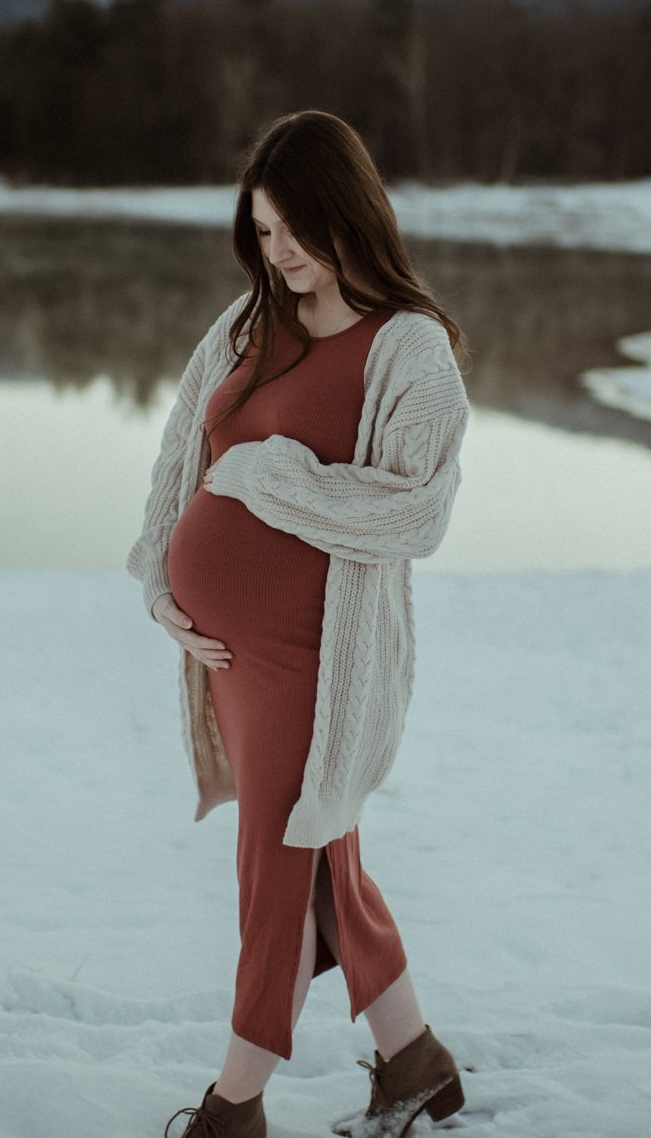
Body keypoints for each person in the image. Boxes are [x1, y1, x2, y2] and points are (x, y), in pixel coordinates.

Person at [126, 110, 473, 1138]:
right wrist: (158, 584)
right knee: (321, 855)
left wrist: (270, 478)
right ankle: (416, 1061)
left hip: (316, 662)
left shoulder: (411, 353)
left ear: (344, 215)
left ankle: (234, 1106)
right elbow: (176, 461)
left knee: (276, 859)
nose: (276, 257)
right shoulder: (245, 325)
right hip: (230, 657)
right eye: (261, 232)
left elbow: (415, 513)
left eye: (292, 232)